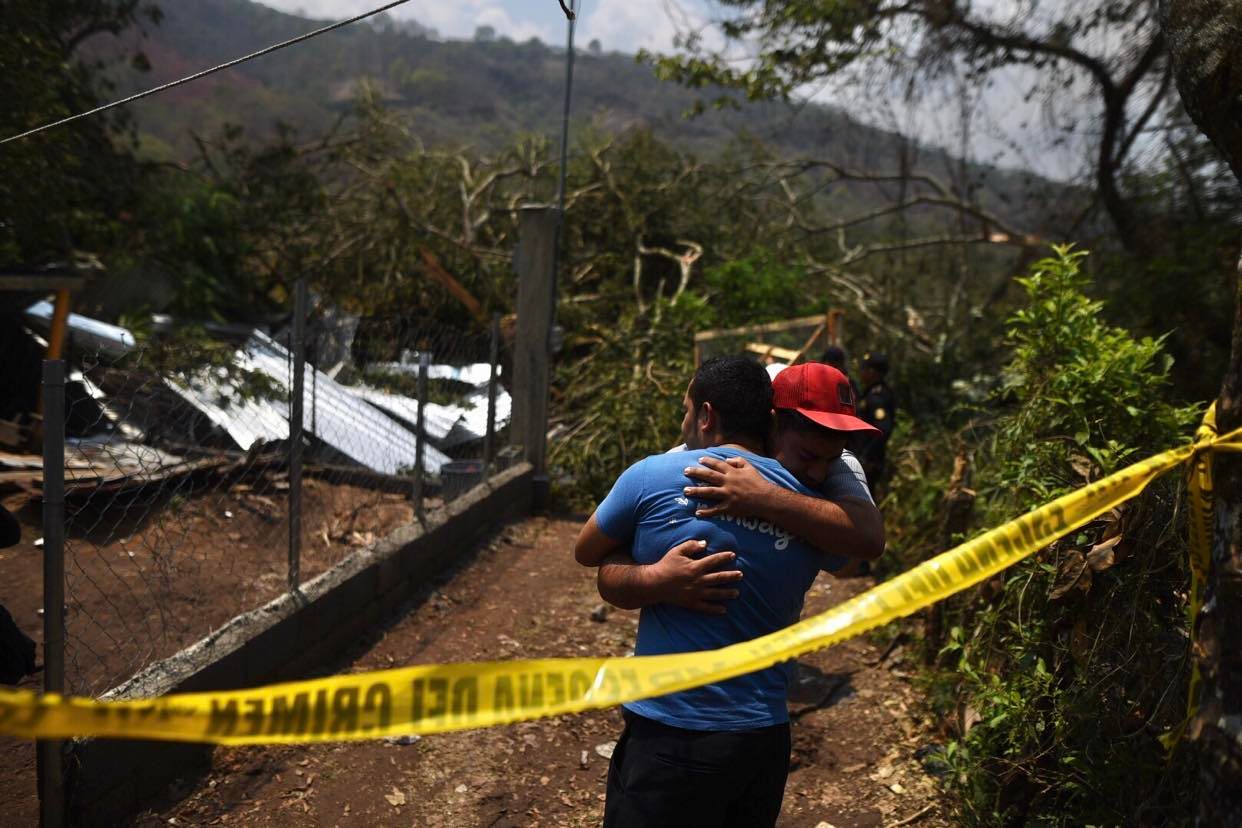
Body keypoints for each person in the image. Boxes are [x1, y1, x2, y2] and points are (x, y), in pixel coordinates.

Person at [574, 357, 882, 827]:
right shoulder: (813, 509)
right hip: (759, 738)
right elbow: (856, 553)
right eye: (808, 456)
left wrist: (765, 497)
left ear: (706, 415)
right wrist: (659, 579)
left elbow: (592, 556)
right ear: (772, 423)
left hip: (672, 728)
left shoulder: (659, 476)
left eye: (829, 457)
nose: (818, 471)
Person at [854, 351, 897, 492]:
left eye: (864, 369)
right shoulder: (869, 393)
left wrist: (867, 457)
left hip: (868, 461)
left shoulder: (877, 397)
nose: (861, 372)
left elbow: (883, 428)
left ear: (872, 372)